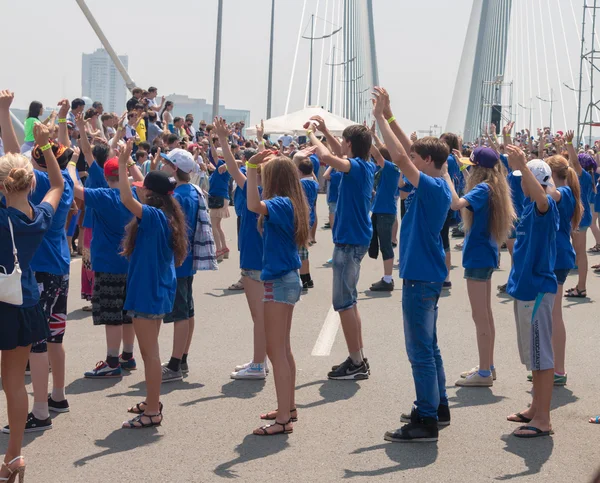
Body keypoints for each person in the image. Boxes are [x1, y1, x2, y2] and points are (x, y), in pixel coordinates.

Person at [372, 87, 451, 443]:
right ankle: (438, 407)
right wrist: (389, 115)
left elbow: (403, 156)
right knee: (429, 347)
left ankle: (426, 420)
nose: (411, 161)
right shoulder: (438, 181)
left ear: (428, 162)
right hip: (427, 275)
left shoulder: (432, 186)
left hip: (421, 278)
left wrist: (378, 119)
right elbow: (411, 150)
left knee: (419, 351)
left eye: (419, 158)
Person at [0, 90, 64, 481]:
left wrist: (4, 114)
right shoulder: (40, 217)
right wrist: (46, 148)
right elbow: (56, 184)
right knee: (13, 385)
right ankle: (13, 458)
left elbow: (13, 163)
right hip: (23, 305)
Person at [118, 140, 187, 429]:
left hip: (148, 293)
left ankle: (153, 411)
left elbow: (125, 199)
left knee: (150, 354)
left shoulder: (155, 215)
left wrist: (122, 165)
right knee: (151, 351)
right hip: (155, 290)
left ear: (149, 192)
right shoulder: (168, 213)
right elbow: (136, 195)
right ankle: (151, 400)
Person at [67, 129, 143, 379]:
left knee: (112, 316)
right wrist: (128, 161)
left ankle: (112, 361)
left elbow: (76, 188)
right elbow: (139, 177)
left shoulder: (103, 196)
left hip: (108, 263)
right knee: (127, 313)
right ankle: (128, 355)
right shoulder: (132, 195)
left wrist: (70, 164)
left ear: (105, 175)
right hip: (129, 263)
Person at [306, 117, 374, 381]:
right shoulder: (362, 164)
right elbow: (338, 152)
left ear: (349, 143)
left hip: (349, 241)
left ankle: (357, 362)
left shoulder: (354, 166)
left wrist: (313, 136)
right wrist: (324, 131)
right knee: (351, 303)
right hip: (354, 238)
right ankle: (357, 357)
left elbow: (327, 156)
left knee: (344, 304)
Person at [246, 153, 309, 436]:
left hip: (280, 281)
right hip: (286, 279)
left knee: (276, 352)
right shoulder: (290, 202)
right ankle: (288, 407)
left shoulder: (281, 203)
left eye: (264, 175)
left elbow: (251, 204)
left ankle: (283, 419)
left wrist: (250, 168)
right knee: (282, 349)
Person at [444, 147, 515, 387]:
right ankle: (488, 365)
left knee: (480, 316)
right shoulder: (493, 187)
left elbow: (456, 204)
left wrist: (445, 174)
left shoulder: (482, 189)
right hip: (486, 253)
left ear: (480, 169)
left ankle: (484, 372)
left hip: (477, 256)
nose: (469, 170)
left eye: (471, 167)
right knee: (486, 314)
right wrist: (463, 166)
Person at [505, 147, 559, 439]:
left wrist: (524, 166)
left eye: (525, 178)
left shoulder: (544, 206)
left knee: (541, 357)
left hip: (538, 291)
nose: (521, 182)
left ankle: (543, 419)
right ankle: (535, 407)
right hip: (525, 290)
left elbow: (543, 198)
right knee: (532, 357)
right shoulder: (527, 205)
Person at [216, 118, 269, 379]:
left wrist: (224, 139)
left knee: (259, 316)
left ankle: (258, 364)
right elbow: (251, 164)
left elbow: (237, 166)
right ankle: (259, 360)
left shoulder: (253, 188)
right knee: (261, 316)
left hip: (253, 261)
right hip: (261, 259)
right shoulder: (268, 189)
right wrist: (260, 140)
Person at [536, 155, 582, 388]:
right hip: (558, 256)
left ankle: (558, 369)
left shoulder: (563, 192)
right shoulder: (566, 191)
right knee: (550, 315)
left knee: (553, 315)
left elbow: (551, 194)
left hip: (558, 257)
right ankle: (552, 367)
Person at [160, 149, 201, 382]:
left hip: (178, 261)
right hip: (186, 260)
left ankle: (175, 364)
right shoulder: (191, 191)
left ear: (174, 168)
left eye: (166, 162)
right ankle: (181, 359)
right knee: (187, 310)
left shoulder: (179, 195)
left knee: (181, 314)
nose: (162, 165)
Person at [565, 131, 593, 299]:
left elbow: (574, 161)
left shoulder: (581, 175)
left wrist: (569, 143)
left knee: (581, 254)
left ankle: (581, 288)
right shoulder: (584, 176)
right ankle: (579, 285)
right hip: (579, 217)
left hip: (580, 219)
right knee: (578, 252)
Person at [368, 145, 401, 292]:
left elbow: (376, 153)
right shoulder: (384, 170)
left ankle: (388, 279)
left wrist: (366, 138)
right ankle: (386, 278)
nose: (374, 159)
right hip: (379, 210)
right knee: (376, 244)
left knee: (386, 246)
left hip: (385, 212)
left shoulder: (390, 168)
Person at [208, 140, 231, 261]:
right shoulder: (222, 168)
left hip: (218, 198)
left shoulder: (221, 165)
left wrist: (211, 141)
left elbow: (214, 155)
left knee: (214, 226)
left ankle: (219, 251)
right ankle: (224, 248)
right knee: (217, 225)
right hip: (221, 198)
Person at [298, 157, 319, 289]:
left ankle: (304, 277)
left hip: (302, 217)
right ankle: (307, 277)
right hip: (310, 216)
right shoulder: (314, 184)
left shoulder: (301, 184)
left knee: (302, 251)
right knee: (304, 249)